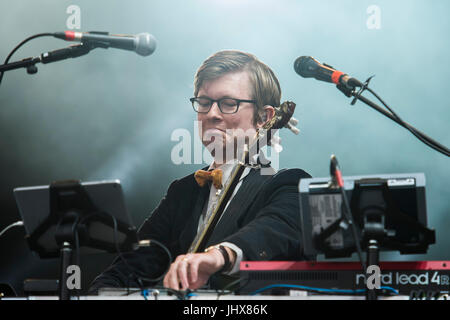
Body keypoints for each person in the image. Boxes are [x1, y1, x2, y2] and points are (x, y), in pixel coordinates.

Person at [89, 50, 311, 293]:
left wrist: (217, 257)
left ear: (265, 117)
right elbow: (131, 266)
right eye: (204, 103)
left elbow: (273, 230)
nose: (212, 114)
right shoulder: (182, 192)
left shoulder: (288, 184)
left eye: (228, 103)